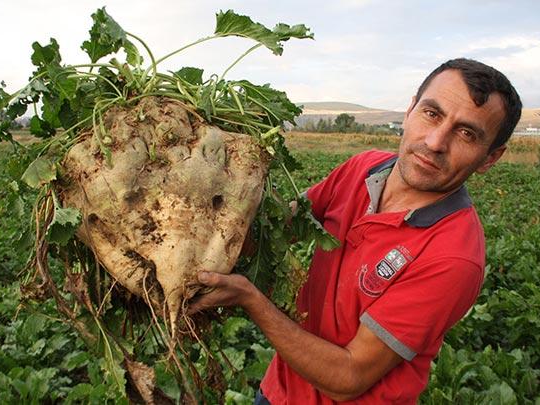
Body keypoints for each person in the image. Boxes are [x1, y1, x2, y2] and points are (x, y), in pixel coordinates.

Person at [188, 58, 522, 404]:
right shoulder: (364, 167)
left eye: (466, 133)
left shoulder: (453, 256)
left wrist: (250, 299)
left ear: (490, 158)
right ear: (410, 110)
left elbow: (348, 377)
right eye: (431, 114)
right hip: (280, 391)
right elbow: (279, 228)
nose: (436, 141)